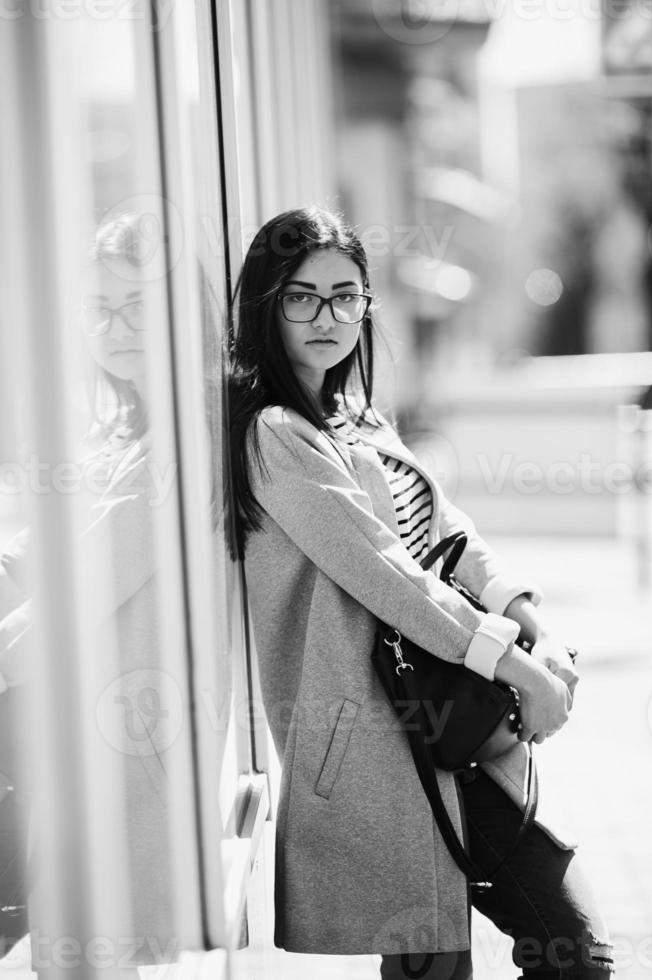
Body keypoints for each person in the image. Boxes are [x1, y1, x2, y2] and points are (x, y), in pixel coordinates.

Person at [228, 206, 614, 979]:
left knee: (565, 948)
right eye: (301, 297)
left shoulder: (355, 414)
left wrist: (525, 619)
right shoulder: (275, 432)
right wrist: (520, 669)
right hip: (379, 740)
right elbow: (386, 575)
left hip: (453, 723)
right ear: (265, 305)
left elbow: (450, 531)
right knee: (497, 959)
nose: (327, 316)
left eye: (346, 296)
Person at [0, 211, 185, 977]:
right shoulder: (121, 429)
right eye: (99, 309)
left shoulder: (185, 440)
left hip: (107, 751)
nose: (116, 327)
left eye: (137, 304)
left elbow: (80, 593)